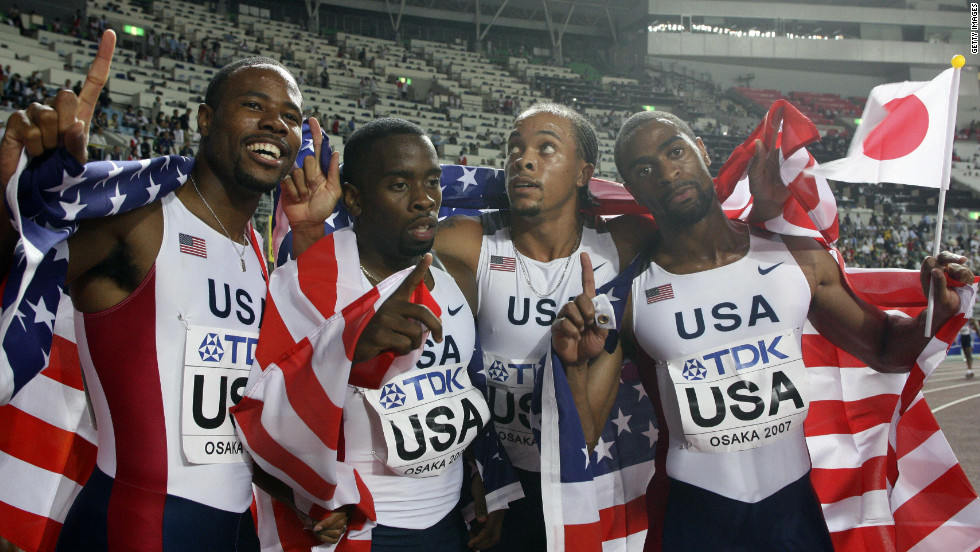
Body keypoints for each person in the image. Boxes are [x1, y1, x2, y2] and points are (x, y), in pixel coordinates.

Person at [552, 110, 975, 551]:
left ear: (699, 147)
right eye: (644, 169)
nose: (666, 172)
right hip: (694, 517)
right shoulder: (629, 296)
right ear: (633, 189)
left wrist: (936, 314)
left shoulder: (797, 256)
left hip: (793, 513)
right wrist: (575, 368)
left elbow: (887, 350)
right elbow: (584, 433)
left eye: (674, 151)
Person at [0, 33, 345, 548]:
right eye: (255, 105)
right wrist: (30, 207)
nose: (278, 123)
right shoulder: (140, 222)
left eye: (292, 117)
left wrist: (302, 494)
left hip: (235, 531)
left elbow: (237, 423)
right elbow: (22, 263)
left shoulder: (255, 251)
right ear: (205, 120)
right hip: (135, 523)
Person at [277, 117, 516, 551]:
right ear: (356, 199)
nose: (425, 200)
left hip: (446, 521)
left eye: (432, 182)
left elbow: (460, 389)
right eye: (400, 185)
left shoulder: (452, 279)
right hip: (356, 526)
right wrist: (306, 494)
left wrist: (484, 478)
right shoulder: (305, 282)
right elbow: (269, 404)